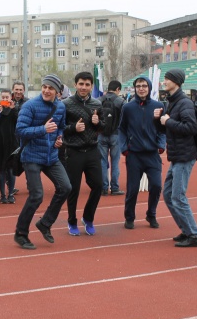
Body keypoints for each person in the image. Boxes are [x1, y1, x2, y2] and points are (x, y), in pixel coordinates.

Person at [14, 74, 71, 250]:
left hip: (51, 156)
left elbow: (61, 127)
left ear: (58, 92)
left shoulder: (60, 107)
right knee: (37, 195)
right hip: (31, 156)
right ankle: (21, 233)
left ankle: (45, 223)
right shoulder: (30, 106)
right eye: (44, 87)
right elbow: (20, 130)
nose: (46, 90)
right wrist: (43, 129)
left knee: (66, 187)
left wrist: (59, 138)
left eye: (50, 88)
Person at [154, 68, 197, 247]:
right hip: (176, 155)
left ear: (176, 81)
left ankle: (194, 235)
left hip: (184, 156)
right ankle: (186, 230)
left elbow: (191, 127)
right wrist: (159, 120)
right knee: (168, 194)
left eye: (167, 79)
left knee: (178, 197)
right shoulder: (172, 102)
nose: (164, 82)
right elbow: (168, 128)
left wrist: (168, 121)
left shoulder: (184, 103)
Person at [119, 74, 166, 230]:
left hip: (152, 154)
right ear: (134, 88)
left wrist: (161, 145)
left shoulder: (158, 106)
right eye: (138, 86)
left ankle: (151, 214)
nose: (141, 89)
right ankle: (129, 217)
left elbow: (163, 129)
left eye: (144, 86)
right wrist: (124, 148)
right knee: (132, 189)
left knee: (156, 186)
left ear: (149, 88)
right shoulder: (127, 107)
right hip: (134, 155)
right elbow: (121, 129)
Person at [62, 71, 105, 236]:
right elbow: (60, 128)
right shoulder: (66, 104)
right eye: (81, 84)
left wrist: (97, 123)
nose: (84, 87)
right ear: (75, 85)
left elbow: (103, 127)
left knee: (98, 185)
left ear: (91, 86)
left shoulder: (97, 104)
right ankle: (72, 221)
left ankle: (88, 218)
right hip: (74, 151)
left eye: (87, 84)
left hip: (92, 150)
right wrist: (73, 128)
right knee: (73, 189)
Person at [98, 80, 125, 196]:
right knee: (115, 162)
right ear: (118, 89)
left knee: (102, 161)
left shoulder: (99, 100)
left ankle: (104, 188)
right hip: (116, 135)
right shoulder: (121, 101)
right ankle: (114, 188)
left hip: (101, 134)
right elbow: (124, 119)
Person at [0, 89, 19, 204]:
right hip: (0, 143)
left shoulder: (14, 110)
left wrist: (13, 109)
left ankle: (11, 194)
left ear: (10, 98)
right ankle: (3, 195)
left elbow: (17, 121)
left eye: (6, 97)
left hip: (12, 143)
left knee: (11, 169)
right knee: (1, 169)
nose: (4, 99)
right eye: (2, 97)